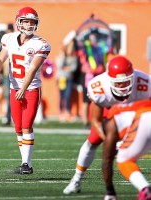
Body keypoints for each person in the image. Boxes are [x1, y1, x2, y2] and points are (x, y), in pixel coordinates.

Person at [63, 55, 151, 194]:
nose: (122, 86)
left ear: (133, 77)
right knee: (92, 141)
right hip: (109, 111)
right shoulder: (99, 87)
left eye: (126, 81)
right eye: (118, 83)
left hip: (136, 112)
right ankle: (77, 179)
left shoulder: (144, 83)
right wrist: (111, 141)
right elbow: (96, 121)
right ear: (109, 79)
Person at [0, 7, 51, 174]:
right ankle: (24, 163)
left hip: (30, 89)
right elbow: (0, 58)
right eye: (26, 21)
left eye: (32, 22)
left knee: (26, 125)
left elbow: (32, 69)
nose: (29, 24)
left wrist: (23, 88)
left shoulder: (41, 44)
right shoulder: (9, 39)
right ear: (19, 21)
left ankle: (27, 164)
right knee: (17, 127)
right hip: (13, 87)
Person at [102, 99, 151, 200]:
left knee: (123, 160)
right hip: (145, 110)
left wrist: (110, 191)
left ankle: (145, 189)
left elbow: (107, 159)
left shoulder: (112, 120)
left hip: (145, 116)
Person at [78, 32, 105, 128]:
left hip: (98, 75)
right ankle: (85, 121)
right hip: (88, 76)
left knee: (98, 99)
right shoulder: (85, 48)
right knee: (86, 100)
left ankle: (97, 120)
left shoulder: (99, 49)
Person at [56, 41, 78, 122]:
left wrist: (67, 68)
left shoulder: (73, 57)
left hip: (68, 78)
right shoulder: (60, 57)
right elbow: (60, 66)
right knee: (62, 96)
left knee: (68, 96)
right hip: (61, 78)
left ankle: (67, 112)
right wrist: (62, 57)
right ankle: (61, 112)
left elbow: (73, 68)